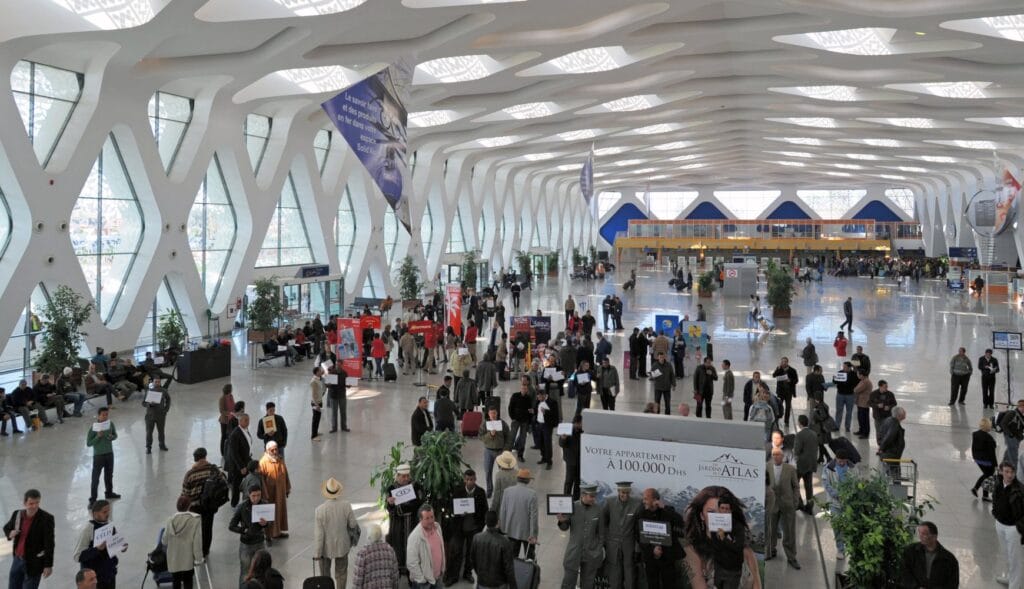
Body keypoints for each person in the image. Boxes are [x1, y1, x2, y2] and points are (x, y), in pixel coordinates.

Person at [313, 477, 360, 589]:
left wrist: (317, 553)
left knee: (325, 574)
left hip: (325, 548)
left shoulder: (320, 510)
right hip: (342, 546)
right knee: (341, 573)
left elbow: (319, 535)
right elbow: (353, 524)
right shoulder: (346, 505)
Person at [557, 483, 606, 589]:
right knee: (568, 583)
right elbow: (564, 527)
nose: (594, 499)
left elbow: (601, 534)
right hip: (574, 552)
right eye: (591, 496)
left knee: (588, 584)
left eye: (595, 496)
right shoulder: (572, 506)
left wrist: (598, 550)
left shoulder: (599, 509)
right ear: (583, 495)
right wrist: (562, 521)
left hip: (591, 554)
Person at [3, 489, 54, 589]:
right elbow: (6, 528)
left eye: (37, 503)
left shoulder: (46, 519)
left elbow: (49, 543)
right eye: (31, 503)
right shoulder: (17, 515)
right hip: (17, 560)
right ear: (25, 503)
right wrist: (10, 533)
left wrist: (48, 565)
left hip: (34, 563)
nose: (34, 506)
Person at [73, 500, 128, 589]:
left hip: (109, 575)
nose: (108, 514)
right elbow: (77, 556)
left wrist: (122, 547)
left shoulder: (109, 525)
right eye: (104, 512)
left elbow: (115, 544)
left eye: (109, 511)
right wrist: (97, 549)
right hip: (95, 579)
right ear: (95, 514)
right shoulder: (88, 530)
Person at [446, 470, 488, 586]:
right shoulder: (458, 490)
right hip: (459, 528)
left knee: (471, 553)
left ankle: (467, 573)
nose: (470, 482)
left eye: (472, 479)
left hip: (473, 529)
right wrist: (458, 513)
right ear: (464, 479)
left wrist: (480, 526)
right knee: (456, 552)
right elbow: (451, 507)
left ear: (475, 479)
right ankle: (453, 576)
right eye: (468, 479)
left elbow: (485, 510)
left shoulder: (480, 492)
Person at [180, 447, 223, 557]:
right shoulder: (213, 470)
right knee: (207, 528)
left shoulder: (190, 474)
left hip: (195, 507)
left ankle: (194, 550)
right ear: (205, 456)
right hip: (210, 505)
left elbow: (185, 494)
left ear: (195, 459)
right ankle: (205, 550)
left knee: (194, 529)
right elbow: (222, 482)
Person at [637, 488, 682, 589]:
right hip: (651, 558)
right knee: (652, 585)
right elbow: (639, 536)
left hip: (668, 557)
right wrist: (652, 549)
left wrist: (664, 507)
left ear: (654, 500)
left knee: (669, 585)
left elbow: (680, 521)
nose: (643, 501)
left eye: (645, 499)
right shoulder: (642, 514)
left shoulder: (667, 510)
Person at [385, 463, 424, 576]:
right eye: (403, 476)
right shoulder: (391, 488)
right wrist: (391, 503)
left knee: (412, 546)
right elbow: (389, 508)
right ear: (397, 476)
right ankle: (399, 569)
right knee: (398, 547)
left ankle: (411, 572)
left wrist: (400, 507)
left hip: (412, 523)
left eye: (407, 476)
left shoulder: (416, 486)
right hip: (397, 526)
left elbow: (418, 503)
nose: (406, 478)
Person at [766, 448, 801, 569]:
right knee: (770, 529)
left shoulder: (790, 469)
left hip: (787, 504)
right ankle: (770, 551)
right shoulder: (767, 467)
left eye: (778, 455)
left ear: (783, 456)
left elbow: (796, 487)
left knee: (789, 531)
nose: (776, 457)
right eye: (774, 455)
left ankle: (791, 557)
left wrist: (795, 502)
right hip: (772, 504)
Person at [229, 485, 270, 585]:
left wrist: (266, 523)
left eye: (258, 495)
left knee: (262, 571)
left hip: (260, 542)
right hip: (246, 545)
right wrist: (243, 530)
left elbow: (269, 523)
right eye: (253, 496)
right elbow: (231, 526)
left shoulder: (264, 505)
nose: (256, 498)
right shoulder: (242, 507)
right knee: (245, 571)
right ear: (249, 495)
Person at [603, 481, 641, 589]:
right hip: (613, 544)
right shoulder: (609, 502)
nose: (626, 495)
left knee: (629, 571)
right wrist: (606, 539)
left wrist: (637, 548)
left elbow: (638, 528)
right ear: (618, 491)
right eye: (623, 492)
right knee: (614, 571)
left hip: (629, 543)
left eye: (628, 493)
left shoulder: (637, 504)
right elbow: (603, 522)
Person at [992, 461, 1024, 587]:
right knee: (1006, 554)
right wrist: (995, 513)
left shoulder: (1020, 489)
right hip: (1000, 524)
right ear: (1001, 472)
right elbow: (995, 499)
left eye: (1012, 472)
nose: (1010, 475)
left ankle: (1015, 585)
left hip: (1013, 528)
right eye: (1006, 472)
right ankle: (1010, 578)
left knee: (1014, 558)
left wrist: (1019, 526)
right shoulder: (998, 484)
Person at [900, 522, 960, 589]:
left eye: (924, 534)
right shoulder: (911, 551)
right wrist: (916, 587)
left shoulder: (949, 559)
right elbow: (904, 572)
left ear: (934, 536)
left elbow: (953, 584)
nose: (920, 536)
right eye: (919, 533)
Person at [162, 495, 202, 589]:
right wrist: (198, 558)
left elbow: (164, 541)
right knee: (188, 580)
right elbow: (197, 541)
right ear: (189, 506)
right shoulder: (195, 520)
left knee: (176, 581)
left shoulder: (170, 520)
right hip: (187, 558)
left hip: (174, 558)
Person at [470, 510, 516, 589]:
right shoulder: (504, 542)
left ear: (485, 521)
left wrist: (480, 574)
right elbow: (509, 569)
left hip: (482, 582)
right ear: (498, 523)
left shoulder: (476, 538)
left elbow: (472, 560)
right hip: (499, 584)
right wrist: (513, 586)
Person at [499, 468, 538, 560]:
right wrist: (533, 535)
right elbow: (534, 516)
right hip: (527, 533)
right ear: (528, 480)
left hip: (511, 530)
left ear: (517, 479)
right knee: (529, 559)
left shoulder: (507, 491)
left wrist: (503, 529)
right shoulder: (532, 494)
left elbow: (503, 511)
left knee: (511, 558)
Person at [823, 451, 854, 559]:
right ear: (836, 458)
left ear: (847, 460)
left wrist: (849, 494)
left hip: (849, 502)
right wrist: (836, 494)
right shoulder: (829, 468)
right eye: (839, 461)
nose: (841, 463)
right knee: (837, 526)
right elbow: (826, 483)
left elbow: (855, 482)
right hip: (835, 502)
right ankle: (840, 549)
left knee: (850, 525)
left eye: (843, 461)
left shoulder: (852, 468)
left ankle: (851, 548)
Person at [407, 504, 446, 589]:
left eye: (432, 517)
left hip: (438, 578)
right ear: (420, 519)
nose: (431, 521)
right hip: (424, 584)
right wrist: (422, 580)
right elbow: (411, 563)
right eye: (427, 518)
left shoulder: (437, 527)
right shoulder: (414, 537)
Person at [86, 406, 120, 505]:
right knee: (95, 478)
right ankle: (93, 499)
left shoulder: (110, 424)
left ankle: (109, 493)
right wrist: (97, 437)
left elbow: (115, 435)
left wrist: (112, 437)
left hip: (109, 454)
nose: (105, 417)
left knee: (109, 475)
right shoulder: (93, 428)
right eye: (103, 415)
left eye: (107, 415)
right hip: (98, 456)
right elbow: (89, 443)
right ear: (98, 415)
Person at [258, 441, 291, 539]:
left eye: (276, 449)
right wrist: (264, 494)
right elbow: (261, 480)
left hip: (280, 492)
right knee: (271, 514)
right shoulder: (263, 462)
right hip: (270, 494)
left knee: (279, 511)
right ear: (267, 450)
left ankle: (278, 531)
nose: (275, 451)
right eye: (272, 450)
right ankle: (270, 534)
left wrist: (287, 488)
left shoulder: (279, 459)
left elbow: (285, 474)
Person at [351, 523, 399, 588]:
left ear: (368, 536)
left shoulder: (362, 554)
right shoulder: (390, 550)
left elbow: (357, 581)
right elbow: (395, 576)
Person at [225, 413, 253, 508]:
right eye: (246, 420)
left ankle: (248, 500)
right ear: (240, 421)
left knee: (249, 481)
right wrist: (241, 467)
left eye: (248, 420)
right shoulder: (235, 434)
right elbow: (234, 453)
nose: (248, 422)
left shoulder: (245, 430)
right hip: (237, 466)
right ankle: (234, 504)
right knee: (236, 485)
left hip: (246, 461)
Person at [482, 408, 510, 496]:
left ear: (497, 413)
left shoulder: (502, 423)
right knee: (487, 471)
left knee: (503, 472)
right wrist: (490, 434)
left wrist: (506, 449)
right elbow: (480, 437)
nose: (493, 415)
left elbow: (509, 437)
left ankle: (503, 491)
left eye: (494, 413)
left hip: (500, 451)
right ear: (488, 414)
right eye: (491, 413)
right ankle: (489, 490)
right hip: (488, 451)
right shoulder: (485, 424)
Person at [793, 415, 818, 514]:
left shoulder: (799, 435)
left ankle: (799, 503)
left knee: (795, 484)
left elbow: (797, 451)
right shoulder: (814, 434)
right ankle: (810, 506)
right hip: (811, 463)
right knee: (809, 486)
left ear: (800, 423)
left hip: (801, 464)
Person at [971, 417, 999, 501]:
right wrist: (995, 465)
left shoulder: (975, 434)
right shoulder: (988, 438)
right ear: (988, 426)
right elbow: (992, 453)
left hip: (977, 458)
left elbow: (973, 447)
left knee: (987, 474)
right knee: (988, 475)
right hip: (986, 460)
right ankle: (977, 489)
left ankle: (983, 494)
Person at [534, 389, 560, 469]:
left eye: (540, 397)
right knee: (541, 442)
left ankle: (549, 461)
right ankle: (544, 458)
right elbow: (537, 410)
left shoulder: (552, 402)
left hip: (547, 425)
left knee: (547, 443)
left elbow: (556, 415)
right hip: (539, 424)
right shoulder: (538, 401)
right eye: (538, 397)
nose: (538, 399)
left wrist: (546, 412)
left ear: (544, 395)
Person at [142, 382, 171, 454]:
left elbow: (168, 399)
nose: (157, 383)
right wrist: (149, 404)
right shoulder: (149, 391)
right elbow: (143, 403)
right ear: (153, 382)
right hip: (150, 416)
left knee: (161, 431)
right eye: (156, 382)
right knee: (149, 433)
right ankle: (148, 447)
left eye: (158, 382)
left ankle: (162, 445)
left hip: (161, 415)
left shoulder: (163, 391)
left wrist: (166, 409)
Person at [560, 415, 584, 499]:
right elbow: (561, 444)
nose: (581, 425)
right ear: (576, 423)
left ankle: (576, 500)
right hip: (570, 460)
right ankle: (566, 499)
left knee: (578, 482)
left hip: (580, 460)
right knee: (569, 481)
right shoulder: (567, 430)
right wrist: (563, 438)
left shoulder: (583, 431)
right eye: (581, 423)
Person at [878, 406, 907, 474]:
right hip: (891, 455)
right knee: (895, 476)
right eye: (904, 413)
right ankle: (896, 485)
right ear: (899, 415)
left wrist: (881, 447)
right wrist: (881, 448)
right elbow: (889, 437)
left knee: (888, 473)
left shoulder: (888, 420)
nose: (905, 414)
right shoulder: (895, 424)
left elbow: (880, 433)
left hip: (888, 454)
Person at [508, 381, 532, 461]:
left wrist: (529, 421)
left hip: (524, 421)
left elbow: (530, 410)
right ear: (520, 388)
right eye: (523, 388)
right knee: (512, 437)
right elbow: (510, 407)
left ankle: (520, 455)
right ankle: (508, 454)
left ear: (527, 390)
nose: (524, 390)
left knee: (523, 438)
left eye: (525, 389)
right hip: (516, 420)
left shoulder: (528, 398)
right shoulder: (515, 396)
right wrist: (512, 418)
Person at [868, 380, 896, 444]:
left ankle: (886, 444)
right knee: (879, 432)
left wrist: (889, 407)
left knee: (887, 431)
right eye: (885, 387)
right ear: (880, 386)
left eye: (887, 386)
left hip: (887, 416)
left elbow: (894, 403)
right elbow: (869, 403)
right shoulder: (873, 394)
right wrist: (877, 405)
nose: (886, 388)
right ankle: (880, 445)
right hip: (878, 416)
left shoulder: (890, 394)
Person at [832, 361, 857, 435]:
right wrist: (834, 378)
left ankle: (847, 427)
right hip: (840, 394)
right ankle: (837, 426)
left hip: (850, 395)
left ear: (849, 367)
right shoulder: (840, 372)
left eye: (845, 367)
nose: (843, 368)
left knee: (849, 412)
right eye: (843, 367)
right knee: (839, 410)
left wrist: (847, 382)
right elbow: (834, 381)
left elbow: (856, 384)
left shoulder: (854, 374)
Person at [491, 451, 518, 516]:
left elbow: (496, 494)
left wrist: (492, 509)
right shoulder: (517, 473)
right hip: (515, 503)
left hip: (503, 503)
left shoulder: (499, 475)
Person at [999, 399, 1024, 466]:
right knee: (1014, 457)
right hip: (1011, 438)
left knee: (1008, 454)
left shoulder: (1021, 415)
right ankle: (1014, 473)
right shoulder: (1012, 413)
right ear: (1021, 407)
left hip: (1016, 438)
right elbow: (1003, 424)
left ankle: (1001, 469)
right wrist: (1010, 435)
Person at [650, 351, 675, 416]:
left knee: (667, 403)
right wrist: (653, 375)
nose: (662, 358)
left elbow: (672, 375)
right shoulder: (655, 365)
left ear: (664, 357)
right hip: (658, 387)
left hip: (667, 387)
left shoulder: (669, 365)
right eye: (660, 357)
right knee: (657, 403)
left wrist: (673, 384)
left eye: (663, 357)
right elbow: (651, 375)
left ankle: (667, 416)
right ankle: (657, 416)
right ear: (658, 357)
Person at [326, 365, 350, 433]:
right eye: (337, 365)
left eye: (339, 364)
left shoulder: (344, 373)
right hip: (333, 396)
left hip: (342, 395)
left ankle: (344, 427)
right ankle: (334, 428)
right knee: (334, 413)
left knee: (343, 412)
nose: (338, 366)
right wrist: (328, 384)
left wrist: (349, 385)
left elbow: (347, 383)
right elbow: (327, 385)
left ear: (342, 365)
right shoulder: (331, 373)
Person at [852, 369, 872, 441]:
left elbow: (856, 390)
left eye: (858, 374)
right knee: (860, 418)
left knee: (864, 419)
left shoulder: (866, 382)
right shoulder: (862, 380)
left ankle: (865, 433)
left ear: (862, 375)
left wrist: (855, 389)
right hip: (860, 402)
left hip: (864, 403)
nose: (857, 375)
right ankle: (861, 430)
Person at [218, 384, 235, 456]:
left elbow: (233, 405)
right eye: (231, 388)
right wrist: (230, 413)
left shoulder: (231, 396)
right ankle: (222, 452)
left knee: (230, 436)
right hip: (224, 421)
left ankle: (228, 450)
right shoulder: (222, 399)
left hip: (231, 419)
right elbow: (221, 411)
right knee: (224, 436)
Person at [311, 366, 325, 440]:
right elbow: (313, 395)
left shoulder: (318, 379)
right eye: (320, 371)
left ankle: (316, 432)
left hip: (319, 401)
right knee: (315, 419)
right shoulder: (314, 381)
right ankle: (313, 436)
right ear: (317, 372)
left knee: (318, 418)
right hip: (316, 403)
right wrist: (316, 405)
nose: (321, 372)